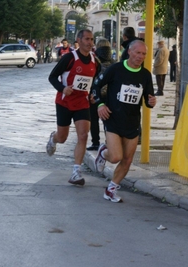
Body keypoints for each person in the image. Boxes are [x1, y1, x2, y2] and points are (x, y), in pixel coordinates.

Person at [92, 40, 157, 202]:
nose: (140, 57)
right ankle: (103, 152)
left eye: (144, 54)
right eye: (138, 53)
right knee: (115, 157)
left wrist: (151, 102)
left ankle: (111, 189)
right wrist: (100, 104)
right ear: (129, 51)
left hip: (132, 122)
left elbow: (148, 99)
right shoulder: (116, 69)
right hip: (113, 118)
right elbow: (96, 85)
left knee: (127, 160)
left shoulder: (145, 74)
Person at [46, 29, 100, 186]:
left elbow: (95, 82)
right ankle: (53, 138)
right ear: (79, 40)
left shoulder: (95, 61)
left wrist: (92, 94)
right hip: (64, 102)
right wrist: (63, 89)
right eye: (87, 39)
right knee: (63, 137)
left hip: (82, 103)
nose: (90, 42)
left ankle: (76, 172)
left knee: (83, 135)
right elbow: (52, 77)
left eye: (92, 39)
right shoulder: (69, 58)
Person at [87, 38, 115, 151]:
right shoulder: (114, 61)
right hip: (109, 95)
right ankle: (109, 142)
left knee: (93, 120)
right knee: (107, 120)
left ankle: (95, 142)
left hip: (96, 94)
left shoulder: (94, 60)